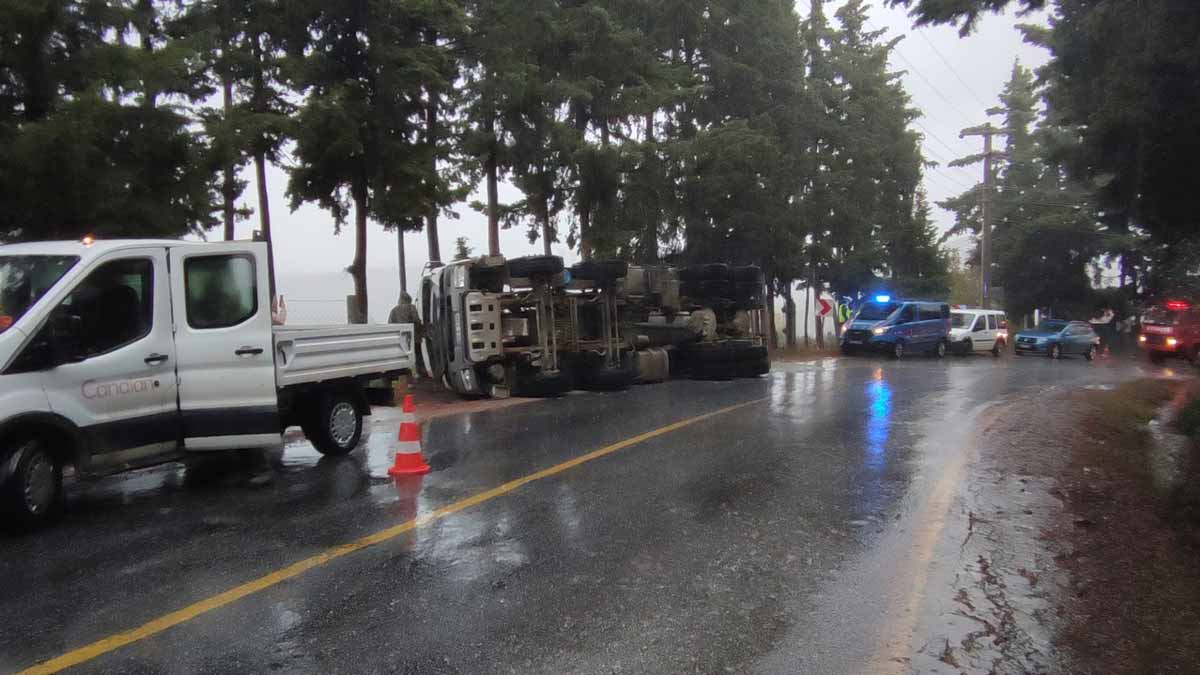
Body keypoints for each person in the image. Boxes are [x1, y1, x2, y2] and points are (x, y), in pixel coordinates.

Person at [389, 292, 426, 377]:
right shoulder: (411, 307)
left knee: (404, 358)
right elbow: (416, 320)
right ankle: (420, 373)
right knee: (418, 355)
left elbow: (390, 325)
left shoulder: (394, 310)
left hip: (401, 339)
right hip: (414, 337)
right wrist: (421, 331)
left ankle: (407, 375)